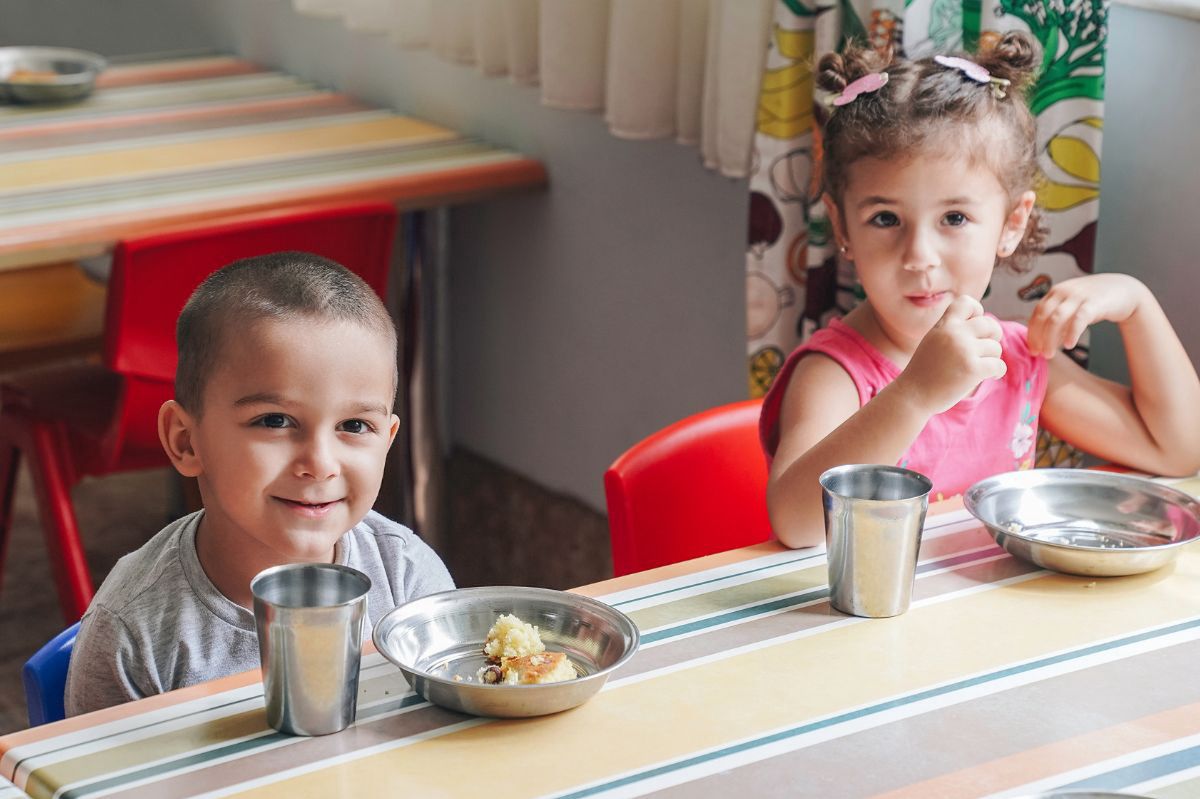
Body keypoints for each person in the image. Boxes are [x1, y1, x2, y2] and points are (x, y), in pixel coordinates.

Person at [761, 33, 1200, 549]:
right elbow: (796, 522)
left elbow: (1177, 450)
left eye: (954, 217)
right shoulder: (835, 374)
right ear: (842, 228)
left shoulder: (1011, 359)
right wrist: (915, 395)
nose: (919, 254)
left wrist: (1138, 305)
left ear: (1012, 223)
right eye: (885, 218)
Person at [65, 252, 454, 715]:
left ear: (387, 441)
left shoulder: (406, 577)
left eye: (353, 426)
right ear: (186, 442)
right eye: (275, 421)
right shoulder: (134, 630)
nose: (320, 463)